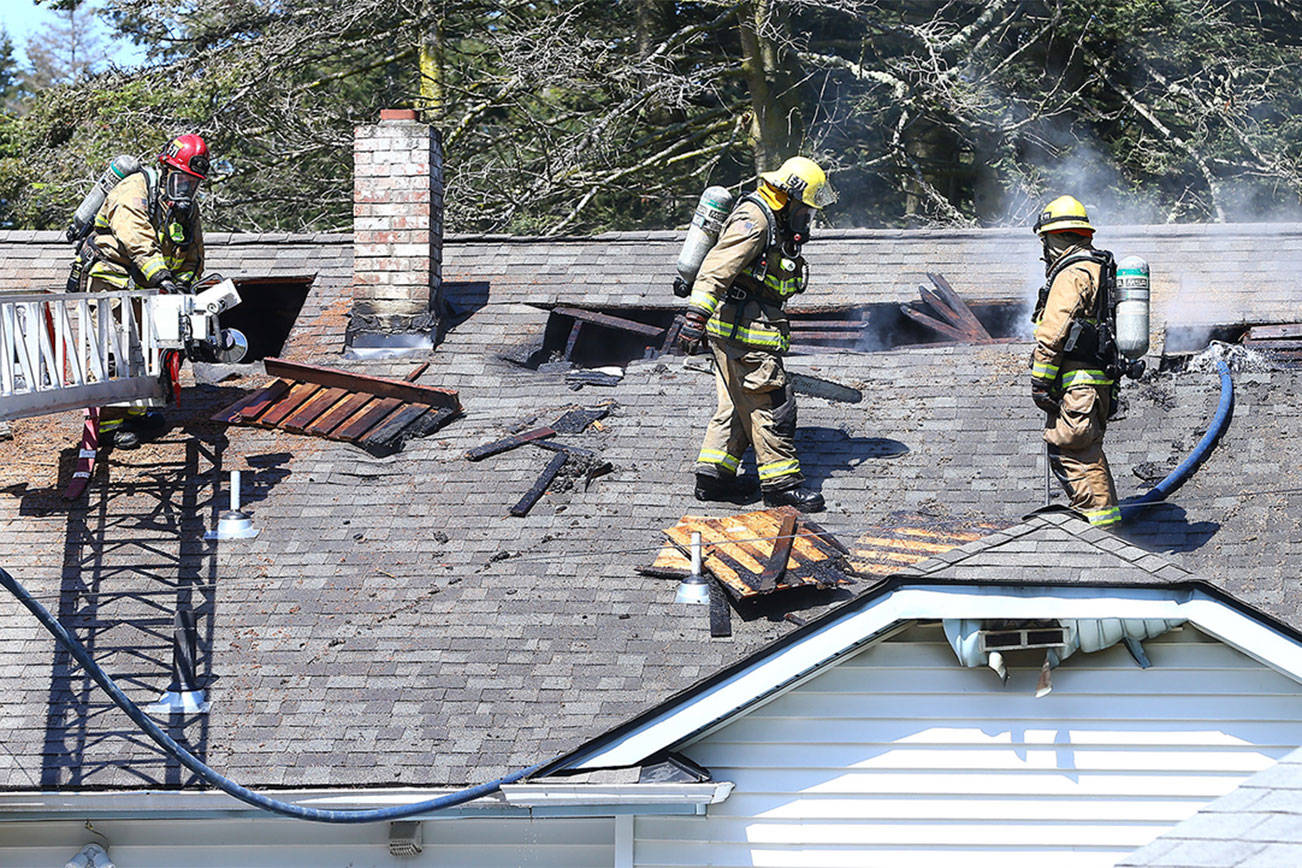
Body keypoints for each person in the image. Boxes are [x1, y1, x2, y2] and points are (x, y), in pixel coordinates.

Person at [679, 156, 835, 513]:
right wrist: (694, 318)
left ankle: (714, 479)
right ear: (789, 196)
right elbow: (715, 270)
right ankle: (781, 485)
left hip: (738, 329)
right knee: (770, 404)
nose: (808, 216)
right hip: (745, 333)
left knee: (736, 403)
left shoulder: (773, 223)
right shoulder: (755, 222)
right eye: (805, 208)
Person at [67, 134, 209, 448]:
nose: (186, 188)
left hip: (148, 288)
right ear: (167, 169)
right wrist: (160, 275)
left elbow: (194, 251)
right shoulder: (135, 188)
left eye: (193, 182)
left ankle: (135, 412)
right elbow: (136, 237)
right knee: (114, 349)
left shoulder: (186, 209)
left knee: (145, 349)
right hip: (111, 281)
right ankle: (108, 424)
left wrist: (184, 282)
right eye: (182, 179)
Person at [1030, 195, 1121, 527]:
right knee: (1086, 452)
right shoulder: (1098, 266)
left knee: (1074, 452)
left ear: (1055, 238)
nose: (1044, 250)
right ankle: (1104, 525)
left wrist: (1040, 382)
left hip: (1077, 385)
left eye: (1045, 240)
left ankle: (1101, 534)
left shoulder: (1073, 272)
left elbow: (1053, 331)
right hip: (1093, 385)